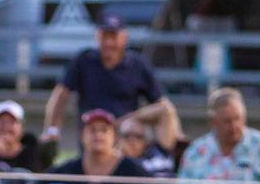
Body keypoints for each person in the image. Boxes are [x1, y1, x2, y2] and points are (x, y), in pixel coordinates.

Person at [41, 15, 168, 148]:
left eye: (113, 37)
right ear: (97, 37)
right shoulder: (84, 60)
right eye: (104, 36)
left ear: (124, 38)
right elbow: (61, 93)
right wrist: (52, 129)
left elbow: (160, 104)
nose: (108, 43)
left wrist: (132, 118)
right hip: (92, 131)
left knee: (168, 111)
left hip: (124, 135)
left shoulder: (137, 64)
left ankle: (174, 155)